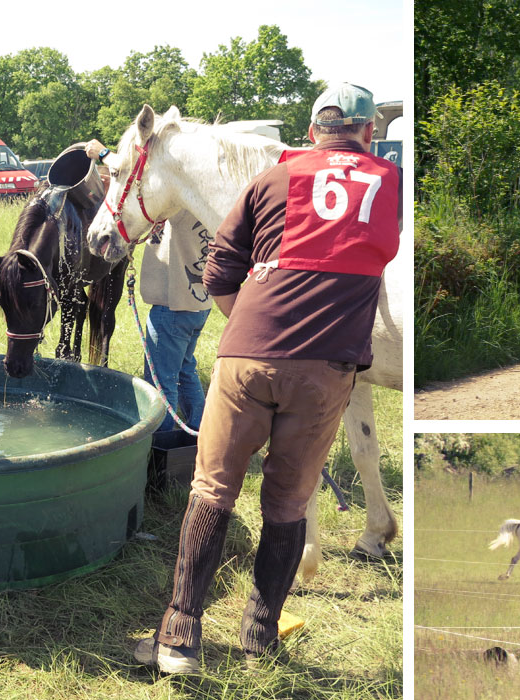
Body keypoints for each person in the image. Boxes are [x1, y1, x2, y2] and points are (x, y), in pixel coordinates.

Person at [133, 82, 401, 674]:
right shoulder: (390, 181)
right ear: (368, 131)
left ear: (311, 132)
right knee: (287, 502)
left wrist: (255, 329)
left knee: (210, 489)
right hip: (325, 367)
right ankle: (259, 638)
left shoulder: (270, 179)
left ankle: (178, 638)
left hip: (246, 352)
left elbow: (220, 267)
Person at [84, 138, 211, 433]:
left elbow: (138, 175)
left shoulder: (176, 204)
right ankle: (198, 434)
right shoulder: (202, 204)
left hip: (172, 307)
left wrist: (103, 154)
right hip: (198, 304)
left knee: (160, 385)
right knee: (184, 371)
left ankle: (160, 449)